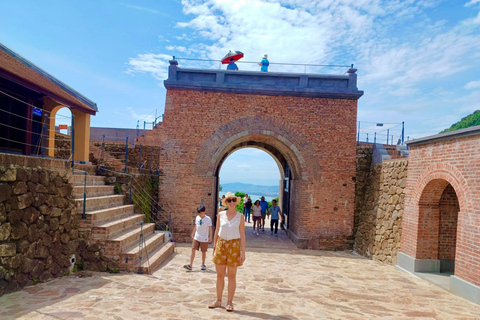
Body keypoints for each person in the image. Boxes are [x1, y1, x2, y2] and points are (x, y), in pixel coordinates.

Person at [209, 192, 246, 312]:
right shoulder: (220, 215)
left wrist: (243, 251)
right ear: (226, 202)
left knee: (231, 275)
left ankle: (229, 302)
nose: (232, 202)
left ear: (236, 201)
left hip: (234, 246)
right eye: (229, 200)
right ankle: (218, 300)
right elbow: (217, 230)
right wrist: (214, 245)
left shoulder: (240, 216)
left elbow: (242, 234)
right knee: (220, 275)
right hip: (221, 244)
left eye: (233, 200)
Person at [184, 205, 213, 271]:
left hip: (204, 238)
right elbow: (196, 226)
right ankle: (190, 265)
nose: (200, 214)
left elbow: (210, 228)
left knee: (203, 251)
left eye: (201, 213)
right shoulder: (197, 218)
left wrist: (210, 236)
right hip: (197, 237)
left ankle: (203, 264)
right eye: (199, 213)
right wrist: (193, 233)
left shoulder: (208, 219)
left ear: (204, 211)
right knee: (193, 249)